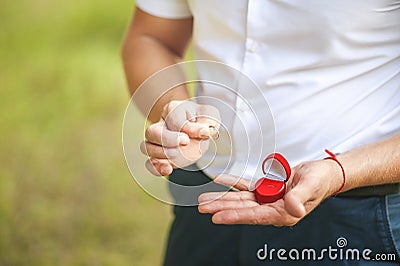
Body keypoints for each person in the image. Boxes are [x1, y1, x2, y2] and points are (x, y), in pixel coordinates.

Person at [122, 1, 400, 265]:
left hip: (356, 215)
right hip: (208, 197)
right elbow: (150, 38)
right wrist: (175, 109)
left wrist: (339, 173)